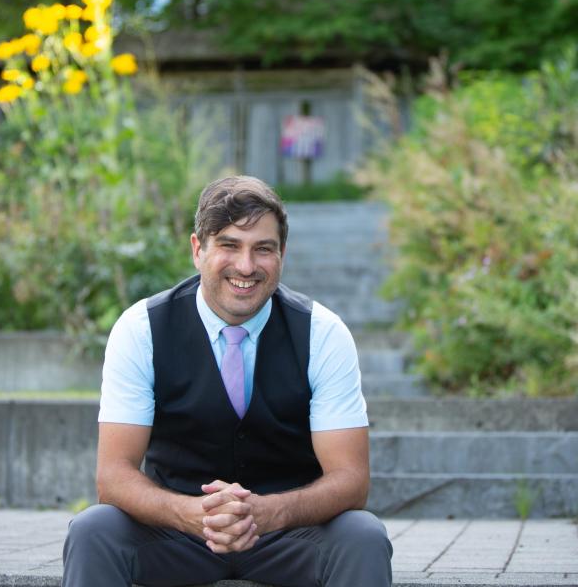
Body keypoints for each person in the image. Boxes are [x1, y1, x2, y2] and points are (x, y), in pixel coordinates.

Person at [62, 175, 393, 586]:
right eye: (229, 245)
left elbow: (351, 480)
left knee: (363, 536)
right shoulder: (142, 328)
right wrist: (191, 515)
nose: (246, 266)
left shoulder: (322, 333)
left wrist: (268, 513)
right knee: (94, 529)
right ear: (198, 249)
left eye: (263, 249)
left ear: (282, 254)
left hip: (288, 536)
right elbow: (113, 476)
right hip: (175, 534)